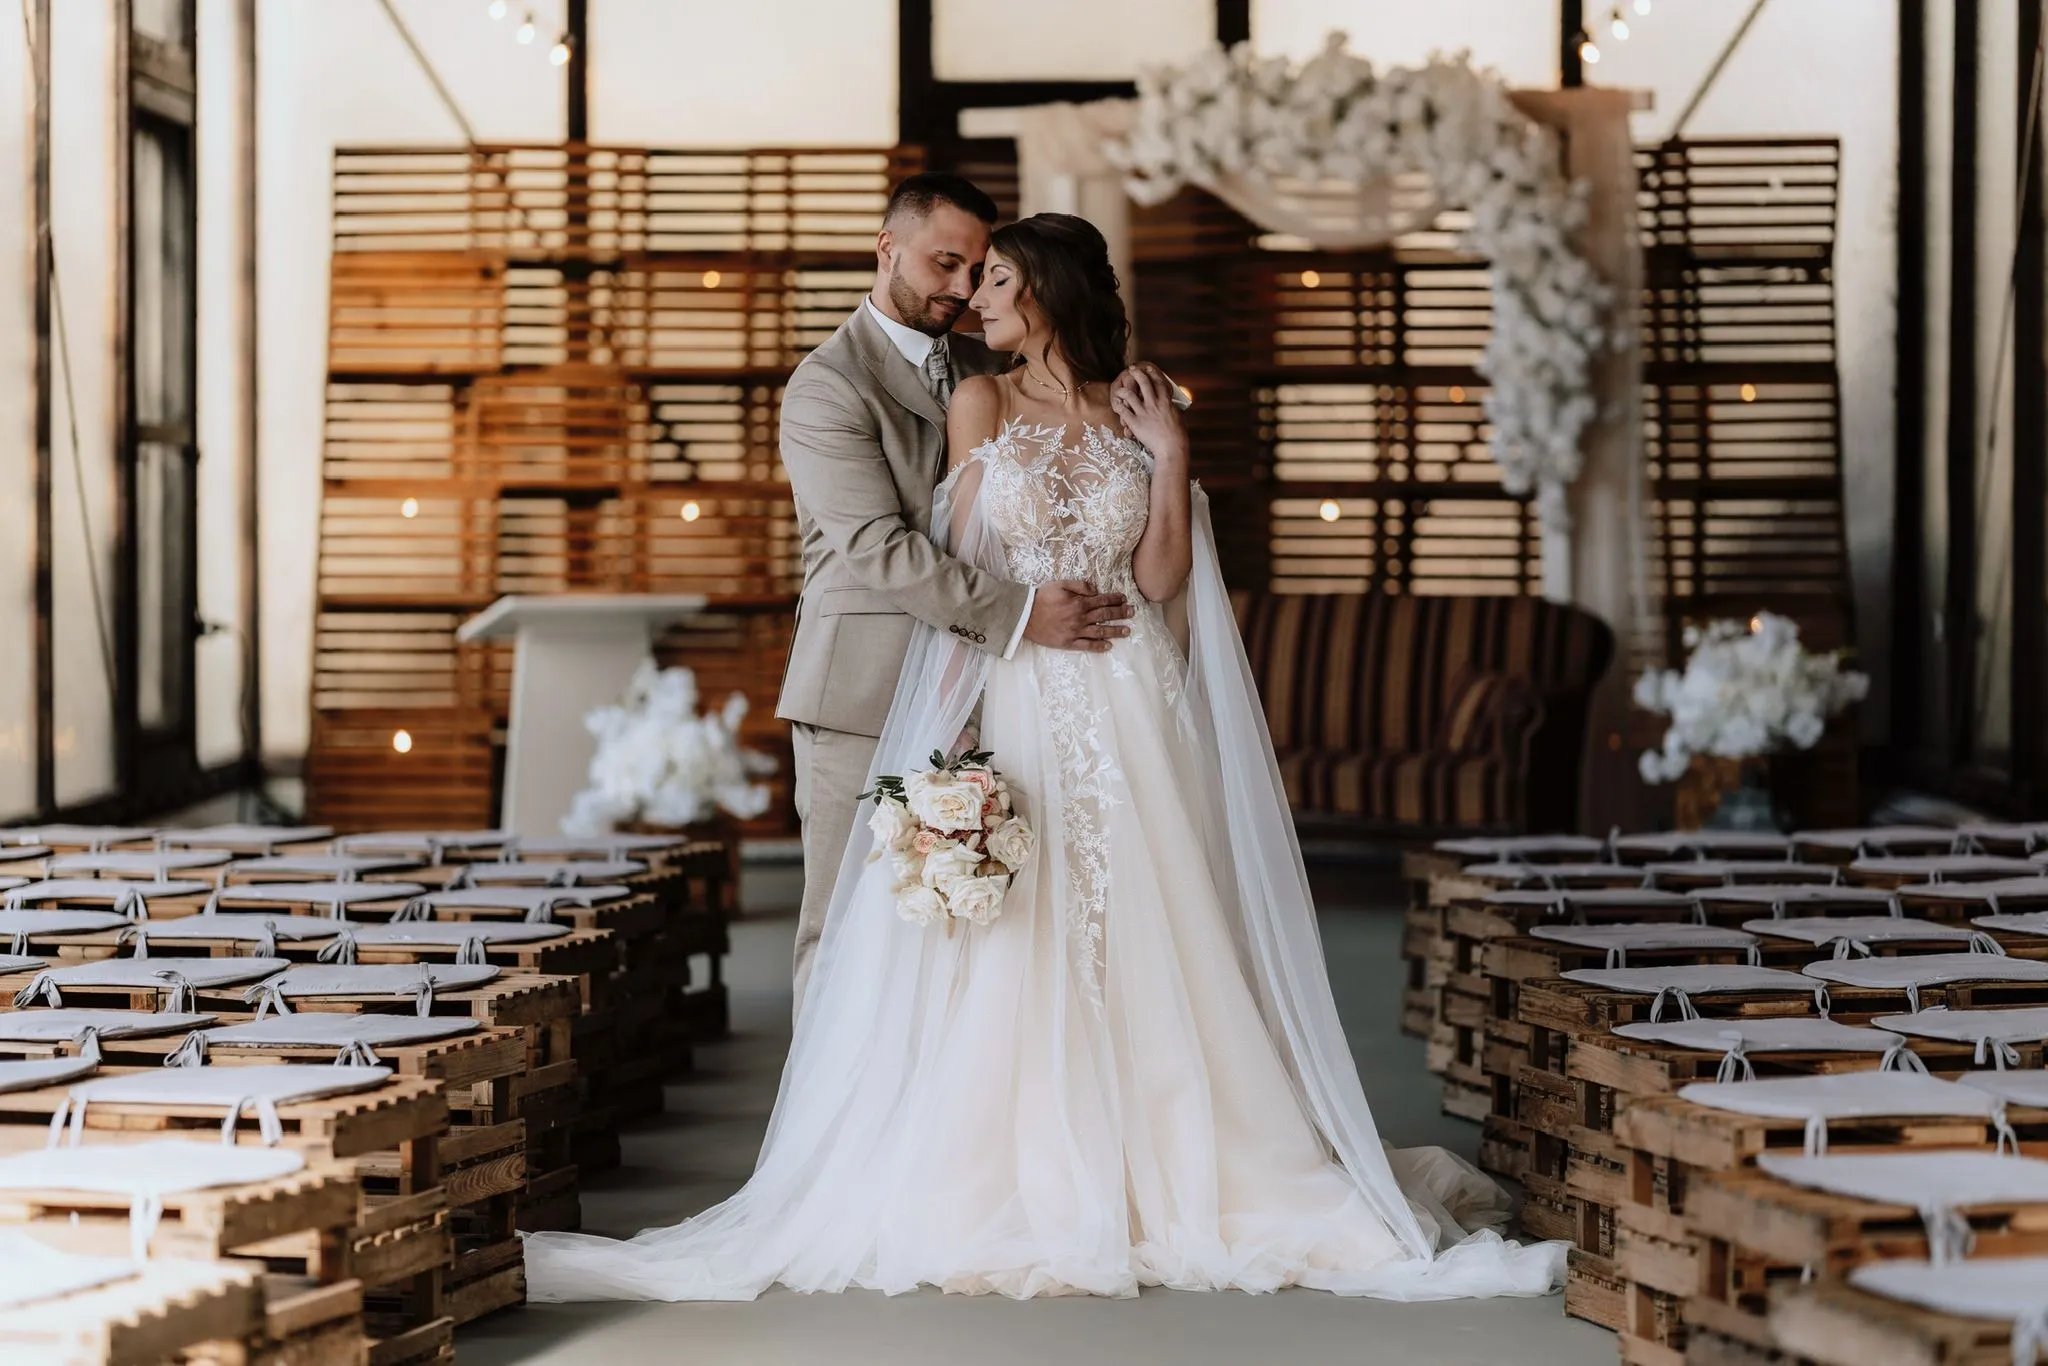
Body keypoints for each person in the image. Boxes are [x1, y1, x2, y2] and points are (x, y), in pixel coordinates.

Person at [524, 211, 1565, 1303]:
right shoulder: (977, 400)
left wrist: (1168, 455)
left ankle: (1176, 1159)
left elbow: (1161, 580)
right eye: (969, 277)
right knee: (1018, 931)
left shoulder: (1136, 405)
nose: (977, 296)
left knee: (1160, 930)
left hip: (1131, 702)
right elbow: (955, 566)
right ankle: (998, 1166)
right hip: (1020, 690)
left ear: (1050, 291)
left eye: (999, 279)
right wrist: (957, 726)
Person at [768, 173, 1150, 1015]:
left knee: (977, 942)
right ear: (887, 247)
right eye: (945, 263)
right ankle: (831, 1148)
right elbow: (876, 546)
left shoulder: (991, 366)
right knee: (846, 932)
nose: (962, 289)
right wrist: (1020, 614)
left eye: (979, 270)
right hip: (865, 693)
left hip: (1005, 695)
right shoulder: (828, 385)